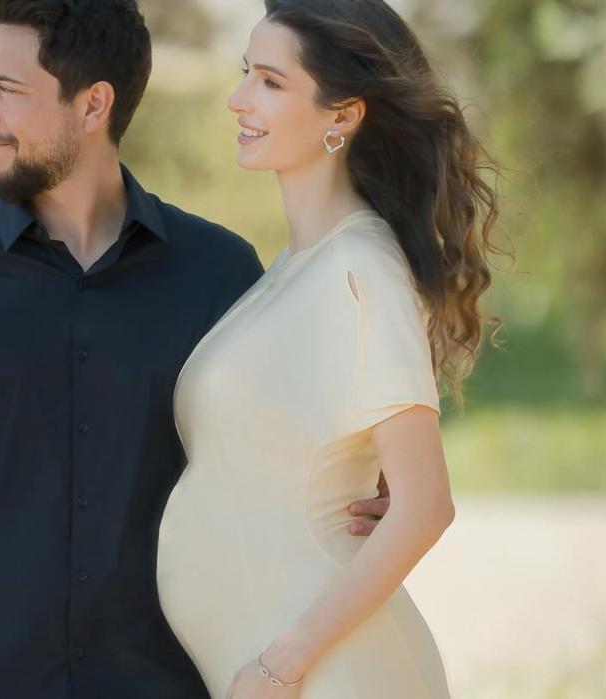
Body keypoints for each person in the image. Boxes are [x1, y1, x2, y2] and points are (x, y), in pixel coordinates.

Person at [0, 2, 391, 698]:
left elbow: (288, 447)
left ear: (93, 105)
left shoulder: (220, 273)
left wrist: (362, 481)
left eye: (6, 88)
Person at [156, 1, 501, 697]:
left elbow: (425, 503)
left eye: (271, 83)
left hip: (325, 671)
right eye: (245, 73)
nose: (238, 98)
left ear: (342, 115)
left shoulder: (359, 268)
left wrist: (281, 664)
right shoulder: (297, 266)